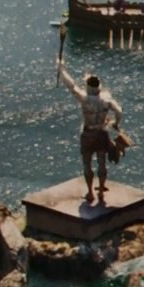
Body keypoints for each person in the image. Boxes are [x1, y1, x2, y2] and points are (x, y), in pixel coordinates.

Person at [58, 45, 124, 202]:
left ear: (88, 87)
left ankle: (90, 192)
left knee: (87, 163)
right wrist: (115, 123)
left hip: (88, 133)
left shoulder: (84, 98)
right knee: (102, 162)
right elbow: (119, 111)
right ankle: (101, 190)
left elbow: (71, 85)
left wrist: (61, 69)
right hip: (102, 132)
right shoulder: (107, 99)